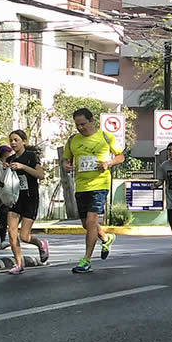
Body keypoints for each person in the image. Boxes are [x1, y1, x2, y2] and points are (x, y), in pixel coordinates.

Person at [64, 108, 125, 274]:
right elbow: (66, 160)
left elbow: (120, 156)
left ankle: (86, 260)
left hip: (99, 184)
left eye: (83, 124)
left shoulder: (106, 137)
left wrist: (109, 163)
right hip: (81, 186)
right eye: (77, 125)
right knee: (86, 224)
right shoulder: (72, 141)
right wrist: (66, 165)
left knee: (91, 221)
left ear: (92, 121)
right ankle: (106, 237)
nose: (80, 128)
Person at [5, 130, 48, 274]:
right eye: (11, 140)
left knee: (24, 236)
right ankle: (18, 263)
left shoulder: (30, 156)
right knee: (11, 231)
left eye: (16, 140)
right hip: (16, 198)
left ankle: (40, 244)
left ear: (24, 141)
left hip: (30, 198)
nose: (13, 143)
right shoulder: (10, 160)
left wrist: (23, 167)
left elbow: (40, 175)